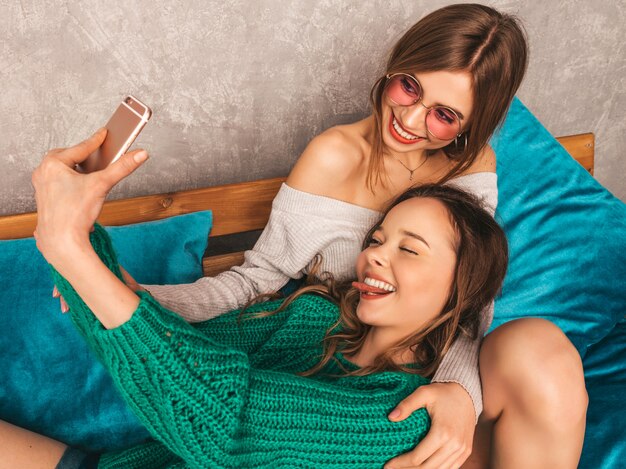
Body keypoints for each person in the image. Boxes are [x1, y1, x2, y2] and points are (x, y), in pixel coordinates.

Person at [53, 4, 588, 467]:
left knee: (539, 349)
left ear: (471, 126)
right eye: (409, 86)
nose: (411, 118)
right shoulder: (332, 164)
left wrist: (458, 397)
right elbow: (253, 284)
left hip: (416, 383)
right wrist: (130, 293)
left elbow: (468, 301)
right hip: (346, 377)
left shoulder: (471, 168)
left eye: (444, 115)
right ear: (394, 68)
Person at [2, 135, 508, 468]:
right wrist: (79, 241)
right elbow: (178, 347)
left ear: (460, 290)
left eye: (409, 249)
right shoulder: (316, 318)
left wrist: (70, 251)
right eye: (376, 239)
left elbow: (224, 421)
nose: (375, 256)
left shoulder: (402, 419)